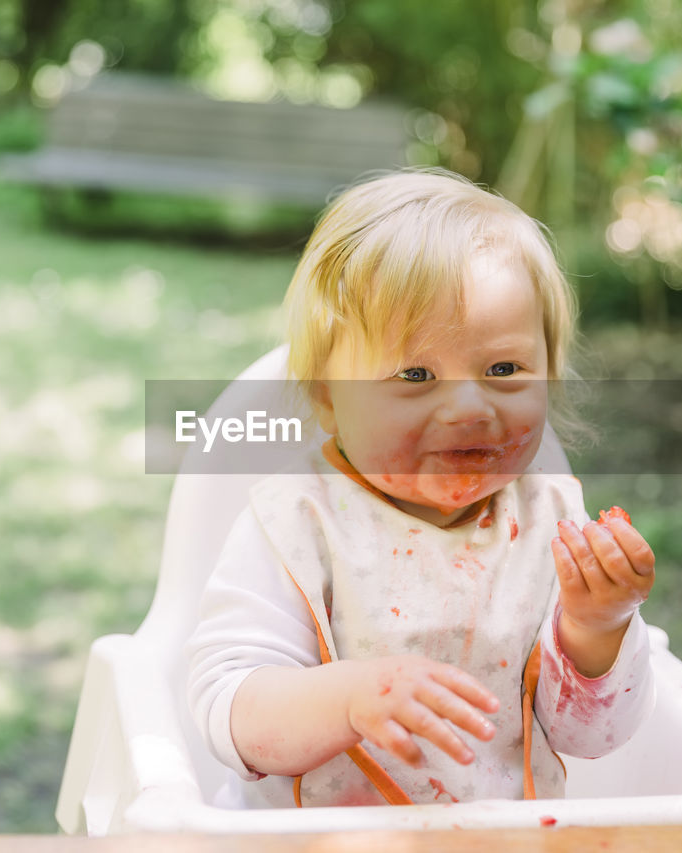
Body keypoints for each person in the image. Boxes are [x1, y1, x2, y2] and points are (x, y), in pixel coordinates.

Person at [186, 168, 656, 809]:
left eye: (504, 368)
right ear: (329, 398)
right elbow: (227, 714)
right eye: (415, 373)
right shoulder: (296, 522)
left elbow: (590, 737)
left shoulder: (549, 520)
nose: (468, 406)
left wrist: (596, 626)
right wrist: (349, 699)